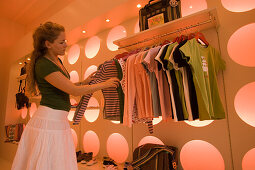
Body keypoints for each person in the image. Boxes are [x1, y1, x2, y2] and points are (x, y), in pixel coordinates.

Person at [11, 21, 119, 170]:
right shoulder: (44, 64)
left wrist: (84, 82)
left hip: (58, 120)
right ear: (48, 44)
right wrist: (104, 84)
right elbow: (73, 91)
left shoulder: (56, 60)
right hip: (49, 120)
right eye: (62, 42)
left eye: (65, 41)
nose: (66, 44)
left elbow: (66, 87)